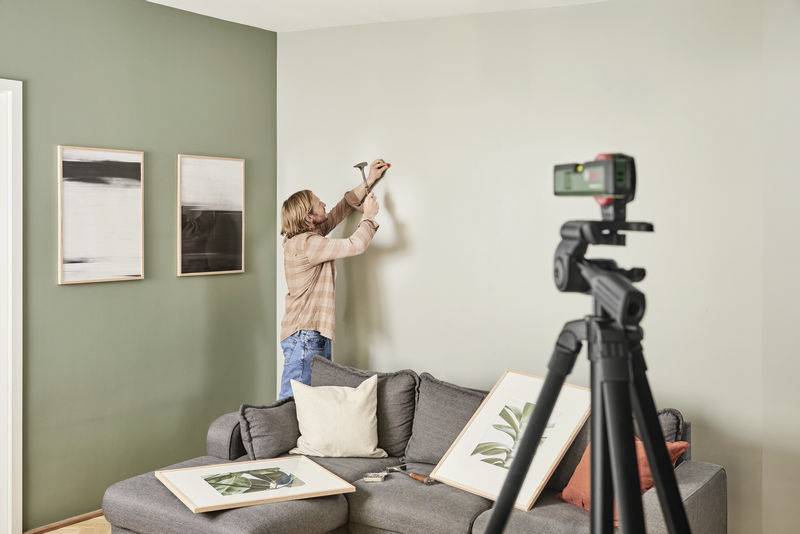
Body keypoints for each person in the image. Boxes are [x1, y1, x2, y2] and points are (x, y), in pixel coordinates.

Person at [278, 159, 390, 399]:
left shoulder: (304, 238)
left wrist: (369, 180)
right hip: (306, 336)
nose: (323, 204)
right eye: (318, 203)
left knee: (310, 406)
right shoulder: (309, 244)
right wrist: (369, 215)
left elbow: (342, 208)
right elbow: (355, 244)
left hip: (309, 333)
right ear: (309, 217)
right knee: (291, 405)